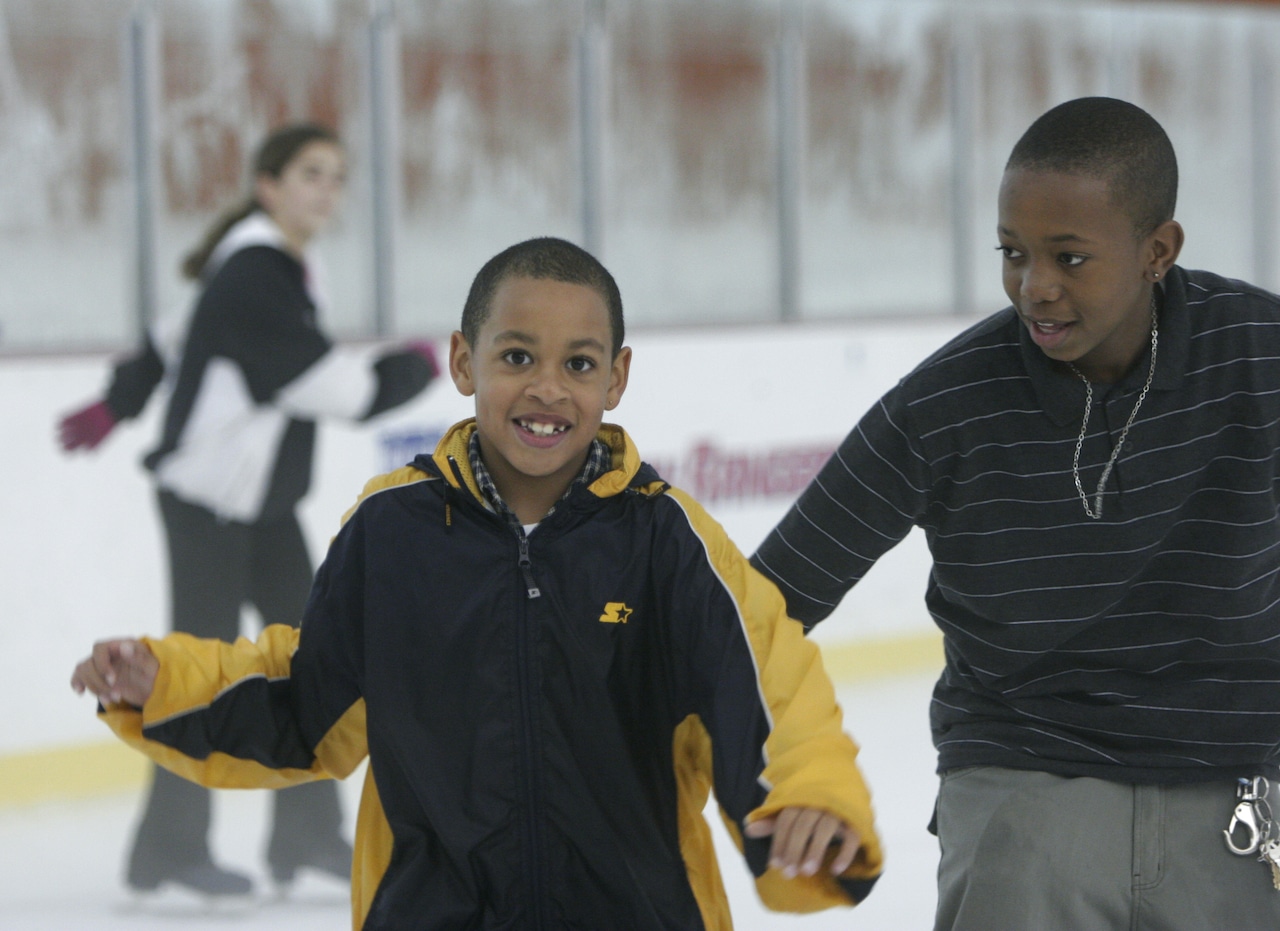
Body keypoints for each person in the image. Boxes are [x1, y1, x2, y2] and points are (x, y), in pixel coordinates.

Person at [71, 236, 884, 929]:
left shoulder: (666, 538)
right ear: (464, 359)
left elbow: (771, 686)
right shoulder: (391, 532)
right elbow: (304, 700)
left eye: (580, 362)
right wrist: (165, 681)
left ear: (618, 377)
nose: (547, 388)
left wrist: (812, 794)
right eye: (517, 355)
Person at [749, 95, 1280, 929]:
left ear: (1158, 250)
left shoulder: (1261, 354)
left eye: (1070, 258)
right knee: (1033, 831)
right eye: (1013, 253)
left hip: (1240, 805)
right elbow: (766, 603)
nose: (1035, 288)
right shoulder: (947, 403)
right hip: (1023, 794)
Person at [58, 123, 439, 898]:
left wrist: (121, 400)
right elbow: (344, 392)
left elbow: (175, 331)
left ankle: (304, 835)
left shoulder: (277, 263)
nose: (326, 191)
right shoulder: (258, 271)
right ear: (268, 185)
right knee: (194, 666)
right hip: (207, 503)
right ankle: (165, 848)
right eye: (310, 174)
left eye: (336, 176)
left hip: (259, 504)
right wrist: (419, 365)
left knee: (315, 654)